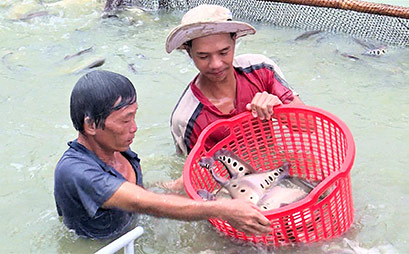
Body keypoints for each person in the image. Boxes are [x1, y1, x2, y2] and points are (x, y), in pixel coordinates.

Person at [53, 70, 271, 240]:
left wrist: (176, 185)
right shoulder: (75, 172)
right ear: (90, 125)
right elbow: (146, 204)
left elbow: (138, 194)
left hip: (133, 227)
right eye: (125, 120)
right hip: (106, 245)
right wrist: (221, 209)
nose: (135, 127)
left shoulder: (116, 148)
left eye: (134, 116)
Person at [164, 4, 304, 190]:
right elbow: (199, 178)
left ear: (235, 41)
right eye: (203, 56)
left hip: (275, 166)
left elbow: (307, 125)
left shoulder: (261, 69)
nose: (216, 64)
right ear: (189, 52)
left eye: (224, 52)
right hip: (233, 185)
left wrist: (277, 107)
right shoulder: (186, 117)